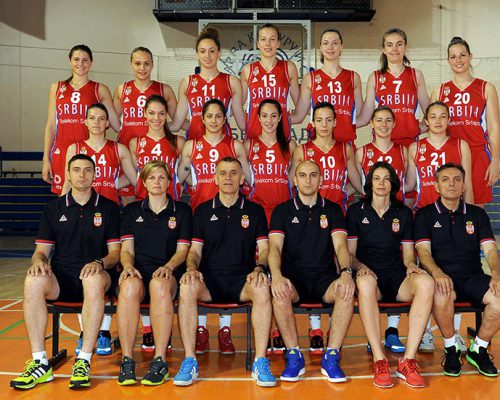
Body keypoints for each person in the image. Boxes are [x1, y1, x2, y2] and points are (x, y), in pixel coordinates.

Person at [10, 154, 120, 390]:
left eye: (88, 170)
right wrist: (38, 261)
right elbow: (40, 251)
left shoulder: (109, 208)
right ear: (68, 175)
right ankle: (40, 363)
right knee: (33, 280)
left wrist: (99, 263)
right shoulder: (53, 208)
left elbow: (115, 254)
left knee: (92, 279)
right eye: (76, 170)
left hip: (98, 276)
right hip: (63, 278)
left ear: (95, 175)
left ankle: (83, 361)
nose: (82, 175)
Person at [173, 157, 275, 387]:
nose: (228, 177)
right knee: (187, 286)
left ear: (242, 179)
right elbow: (194, 251)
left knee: (261, 286)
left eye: (233, 173)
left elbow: (265, 249)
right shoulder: (202, 211)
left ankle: (260, 360)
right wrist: (191, 268)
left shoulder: (254, 211)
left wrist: (259, 268)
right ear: (216, 179)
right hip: (209, 281)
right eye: (223, 173)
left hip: (243, 280)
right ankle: (189, 360)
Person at [347, 162, 434, 388]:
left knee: (426, 283)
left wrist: (411, 265)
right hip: (369, 274)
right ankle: (380, 360)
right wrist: (360, 266)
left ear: (393, 183)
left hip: (396, 276)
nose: (381, 183)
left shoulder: (403, 213)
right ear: (370, 183)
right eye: (377, 178)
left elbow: (408, 253)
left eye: (386, 178)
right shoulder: (356, 211)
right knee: (365, 283)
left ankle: (408, 361)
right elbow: (350, 254)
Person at [269, 160, 354, 383]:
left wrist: (346, 273)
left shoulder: (333, 210)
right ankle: (294, 356)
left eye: (313, 175)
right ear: (295, 181)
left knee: (346, 291)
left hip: (324, 279)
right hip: (294, 279)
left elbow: (341, 246)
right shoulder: (282, 211)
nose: (308, 180)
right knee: (279, 292)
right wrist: (276, 276)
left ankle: (331, 357)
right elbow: (274, 248)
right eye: (303, 175)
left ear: (321, 179)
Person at [177, 99, 251, 354]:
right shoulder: (191, 145)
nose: (214, 121)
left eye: (219, 116)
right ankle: (200, 329)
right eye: (209, 116)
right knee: (202, 268)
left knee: (227, 267)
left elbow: (248, 176)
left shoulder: (235, 145)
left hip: (230, 211)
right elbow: (179, 177)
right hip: (201, 212)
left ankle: (224, 330)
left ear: (224, 119)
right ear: (202, 118)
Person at [415, 163, 500, 378]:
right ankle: (451, 348)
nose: (451, 184)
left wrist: (497, 274)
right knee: (441, 291)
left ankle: (478, 349)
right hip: (442, 277)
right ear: (436, 186)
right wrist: (437, 273)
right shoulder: (425, 215)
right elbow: (423, 252)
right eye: (445, 180)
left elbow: (490, 251)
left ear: (463, 186)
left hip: (473, 277)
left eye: (457, 180)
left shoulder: (477, 214)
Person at [116, 160, 192, 386]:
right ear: (144, 182)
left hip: (168, 274)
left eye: (161, 177)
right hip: (139, 274)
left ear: (169, 182)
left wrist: (168, 267)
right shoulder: (131, 211)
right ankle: (127, 360)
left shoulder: (182, 210)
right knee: (128, 286)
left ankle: (160, 360)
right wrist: (128, 266)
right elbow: (126, 250)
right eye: (151, 177)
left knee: (159, 284)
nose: (157, 182)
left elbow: (182, 251)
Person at [243, 98, 295, 354]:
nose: (269, 120)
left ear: (280, 118)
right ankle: (268, 327)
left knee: (280, 269)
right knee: (262, 268)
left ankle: (279, 330)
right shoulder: (249, 145)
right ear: (258, 117)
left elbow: (293, 182)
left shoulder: (290, 146)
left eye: (274, 115)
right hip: (258, 213)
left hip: (282, 214)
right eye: (264, 115)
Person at [431, 37, 500, 207]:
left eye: (462, 55)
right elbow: (433, 127)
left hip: (478, 153)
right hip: (450, 154)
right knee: (448, 207)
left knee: (475, 209)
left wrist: (496, 160)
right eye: (453, 57)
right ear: (448, 60)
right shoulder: (440, 91)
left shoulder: (486, 88)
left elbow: (494, 127)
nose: (458, 60)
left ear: (470, 56)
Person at [42, 44, 120, 194]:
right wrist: (46, 158)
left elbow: (115, 124)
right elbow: (50, 125)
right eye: (76, 59)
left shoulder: (99, 89)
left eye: (85, 60)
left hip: (88, 150)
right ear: (70, 61)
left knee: (90, 197)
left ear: (91, 62)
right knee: (64, 199)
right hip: (62, 149)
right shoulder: (57, 87)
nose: (81, 64)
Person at [113, 46, 178, 205]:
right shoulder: (122, 89)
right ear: (131, 64)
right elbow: (112, 122)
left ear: (152, 64)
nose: (142, 68)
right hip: (129, 155)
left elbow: (177, 123)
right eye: (137, 63)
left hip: (155, 154)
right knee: (131, 209)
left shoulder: (164, 90)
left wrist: (158, 128)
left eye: (146, 63)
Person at [357, 28, 429, 147]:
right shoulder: (375, 77)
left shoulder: (416, 75)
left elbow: (430, 112)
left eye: (399, 44)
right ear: (383, 49)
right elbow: (365, 118)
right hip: (383, 145)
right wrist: (333, 126)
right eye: (389, 45)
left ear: (405, 47)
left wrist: (419, 128)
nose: (394, 49)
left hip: (410, 145)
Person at [170, 27, 245, 139]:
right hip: (195, 144)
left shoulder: (232, 81)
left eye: (212, 51)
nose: (207, 56)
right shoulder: (187, 83)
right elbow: (176, 125)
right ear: (197, 54)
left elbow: (243, 124)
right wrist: (147, 127)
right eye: (202, 51)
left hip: (223, 144)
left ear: (219, 53)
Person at [291, 28, 363, 144]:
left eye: (335, 43)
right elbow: (300, 115)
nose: (330, 47)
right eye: (325, 43)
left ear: (341, 46)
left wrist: (346, 126)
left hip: (344, 143)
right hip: (318, 143)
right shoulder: (310, 78)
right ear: (320, 47)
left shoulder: (353, 77)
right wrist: (270, 119)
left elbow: (359, 114)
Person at [291, 102, 363, 212]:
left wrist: (344, 193)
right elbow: (291, 183)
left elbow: (357, 184)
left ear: (335, 122)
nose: (324, 125)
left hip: (338, 211)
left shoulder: (345, 149)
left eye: (328, 120)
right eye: (319, 120)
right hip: (310, 212)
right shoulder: (301, 150)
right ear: (313, 123)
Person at [62, 103, 137, 204]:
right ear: (86, 122)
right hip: (82, 206)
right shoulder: (74, 148)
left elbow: (134, 179)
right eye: (92, 118)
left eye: (101, 119)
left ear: (107, 123)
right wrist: (61, 208)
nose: (96, 122)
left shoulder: (119, 149)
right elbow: (68, 182)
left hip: (109, 206)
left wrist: (113, 184)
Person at [407, 101, 473, 209]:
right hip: (424, 210)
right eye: (433, 117)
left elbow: (467, 185)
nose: (438, 121)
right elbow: (410, 185)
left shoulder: (461, 146)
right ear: (426, 121)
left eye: (443, 117)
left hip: (453, 210)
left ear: (449, 120)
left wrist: (469, 214)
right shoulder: (415, 148)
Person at [241, 23, 300, 139]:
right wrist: (247, 122)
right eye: (263, 39)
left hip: (281, 136)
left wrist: (286, 119)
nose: (268, 44)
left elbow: (300, 106)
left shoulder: (289, 68)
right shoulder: (248, 70)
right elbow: (237, 106)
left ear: (278, 43)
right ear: (258, 44)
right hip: (254, 136)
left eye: (272, 39)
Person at [129, 95, 184, 201]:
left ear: (166, 115)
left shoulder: (179, 142)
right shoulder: (135, 143)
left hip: (170, 199)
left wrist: (177, 183)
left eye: (161, 113)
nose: (156, 118)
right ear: (144, 113)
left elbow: (183, 170)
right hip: (143, 199)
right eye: (151, 113)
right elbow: (136, 175)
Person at [356, 106, 407, 202]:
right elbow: (357, 185)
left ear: (394, 124)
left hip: (396, 207)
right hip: (370, 207)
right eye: (379, 120)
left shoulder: (403, 151)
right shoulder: (361, 152)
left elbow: (409, 184)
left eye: (388, 120)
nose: (384, 124)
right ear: (371, 124)